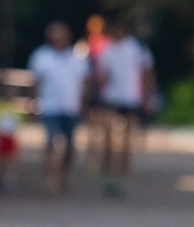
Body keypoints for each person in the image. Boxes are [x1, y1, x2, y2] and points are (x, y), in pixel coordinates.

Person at [27, 22, 92, 193]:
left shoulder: (77, 58)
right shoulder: (41, 56)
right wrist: (34, 104)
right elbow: (36, 83)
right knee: (51, 142)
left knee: (70, 145)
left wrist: (84, 106)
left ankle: (64, 173)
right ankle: (50, 177)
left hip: (71, 107)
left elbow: (84, 84)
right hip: (50, 106)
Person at [96, 20, 154, 198]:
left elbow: (146, 73)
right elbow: (102, 76)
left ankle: (121, 177)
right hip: (112, 100)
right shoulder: (108, 51)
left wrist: (146, 96)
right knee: (110, 140)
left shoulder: (136, 49)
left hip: (130, 100)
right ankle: (109, 174)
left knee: (127, 142)